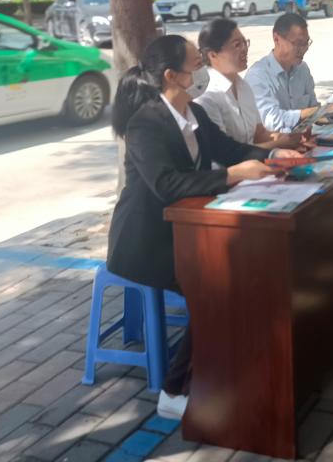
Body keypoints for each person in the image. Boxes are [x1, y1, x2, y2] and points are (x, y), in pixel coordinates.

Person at [106, 34, 282, 420]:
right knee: (214, 289)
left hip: (187, 230)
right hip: (146, 242)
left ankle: (233, 363)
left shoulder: (194, 113)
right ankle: (174, 391)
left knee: (246, 271)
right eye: (196, 64)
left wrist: (276, 153)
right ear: (172, 76)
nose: (202, 69)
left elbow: (230, 150)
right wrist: (234, 175)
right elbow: (167, 185)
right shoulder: (145, 124)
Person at [195, 18, 303, 149]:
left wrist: (284, 137)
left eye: (245, 43)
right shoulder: (207, 96)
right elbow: (227, 152)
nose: (244, 49)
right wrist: (278, 144)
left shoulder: (243, 86)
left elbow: (259, 133)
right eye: (237, 45)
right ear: (213, 55)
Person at [245, 12, 333, 133]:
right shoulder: (258, 76)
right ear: (276, 39)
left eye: (306, 43)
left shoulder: (302, 70)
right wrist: (321, 110)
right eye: (297, 44)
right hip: (275, 144)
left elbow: (313, 113)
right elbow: (271, 121)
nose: (303, 49)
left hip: (303, 141)